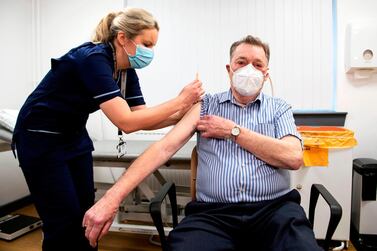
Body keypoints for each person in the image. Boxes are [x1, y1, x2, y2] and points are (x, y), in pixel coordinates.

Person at [83, 35, 322, 251]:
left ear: (266, 73)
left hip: (275, 211)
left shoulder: (279, 108)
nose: (249, 69)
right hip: (213, 215)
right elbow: (164, 148)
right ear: (229, 69)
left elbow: (293, 157)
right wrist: (112, 198)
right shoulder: (206, 106)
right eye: (241, 62)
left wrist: (234, 131)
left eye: (257, 64)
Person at [12, 8, 203, 251]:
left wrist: (184, 115)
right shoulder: (93, 59)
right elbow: (125, 122)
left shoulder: (126, 70)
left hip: (73, 137)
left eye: (153, 46)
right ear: (123, 38)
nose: (150, 52)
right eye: (146, 43)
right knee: (62, 221)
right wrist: (181, 101)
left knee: (86, 213)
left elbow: (141, 117)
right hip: (40, 137)